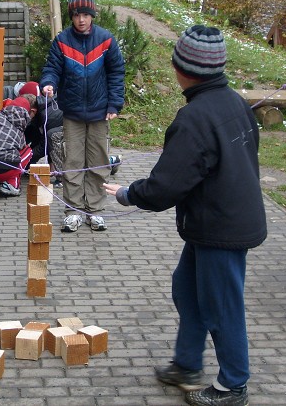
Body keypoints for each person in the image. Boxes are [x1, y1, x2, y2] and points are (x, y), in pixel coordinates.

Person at [104, 25, 266, 406]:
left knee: (221, 306)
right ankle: (188, 364)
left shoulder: (195, 118)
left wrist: (129, 194)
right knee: (188, 291)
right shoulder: (234, 102)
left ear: (185, 68)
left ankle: (233, 385)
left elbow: (165, 187)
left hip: (221, 227)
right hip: (213, 222)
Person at [40, 0, 125, 232]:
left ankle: (96, 211)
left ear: (92, 15)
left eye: (86, 14)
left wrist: (114, 104)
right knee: (73, 162)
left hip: (100, 112)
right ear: (72, 16)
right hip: (73, 113)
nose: (81, 20)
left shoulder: (106, 40)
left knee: (98, 162)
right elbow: (52, 68)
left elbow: (117, 73)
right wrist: (48, 83)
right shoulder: (62, 41)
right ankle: (73, 210)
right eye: (77, 15)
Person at [21, 81, 65, 188]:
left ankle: (62, 178)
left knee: (51, 136)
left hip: (70, 134)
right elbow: (35, 136)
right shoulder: (42, 108)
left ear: (32, 110)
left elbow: (44, 146)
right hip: (59, 132)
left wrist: (25, 159)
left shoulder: (47, 117)